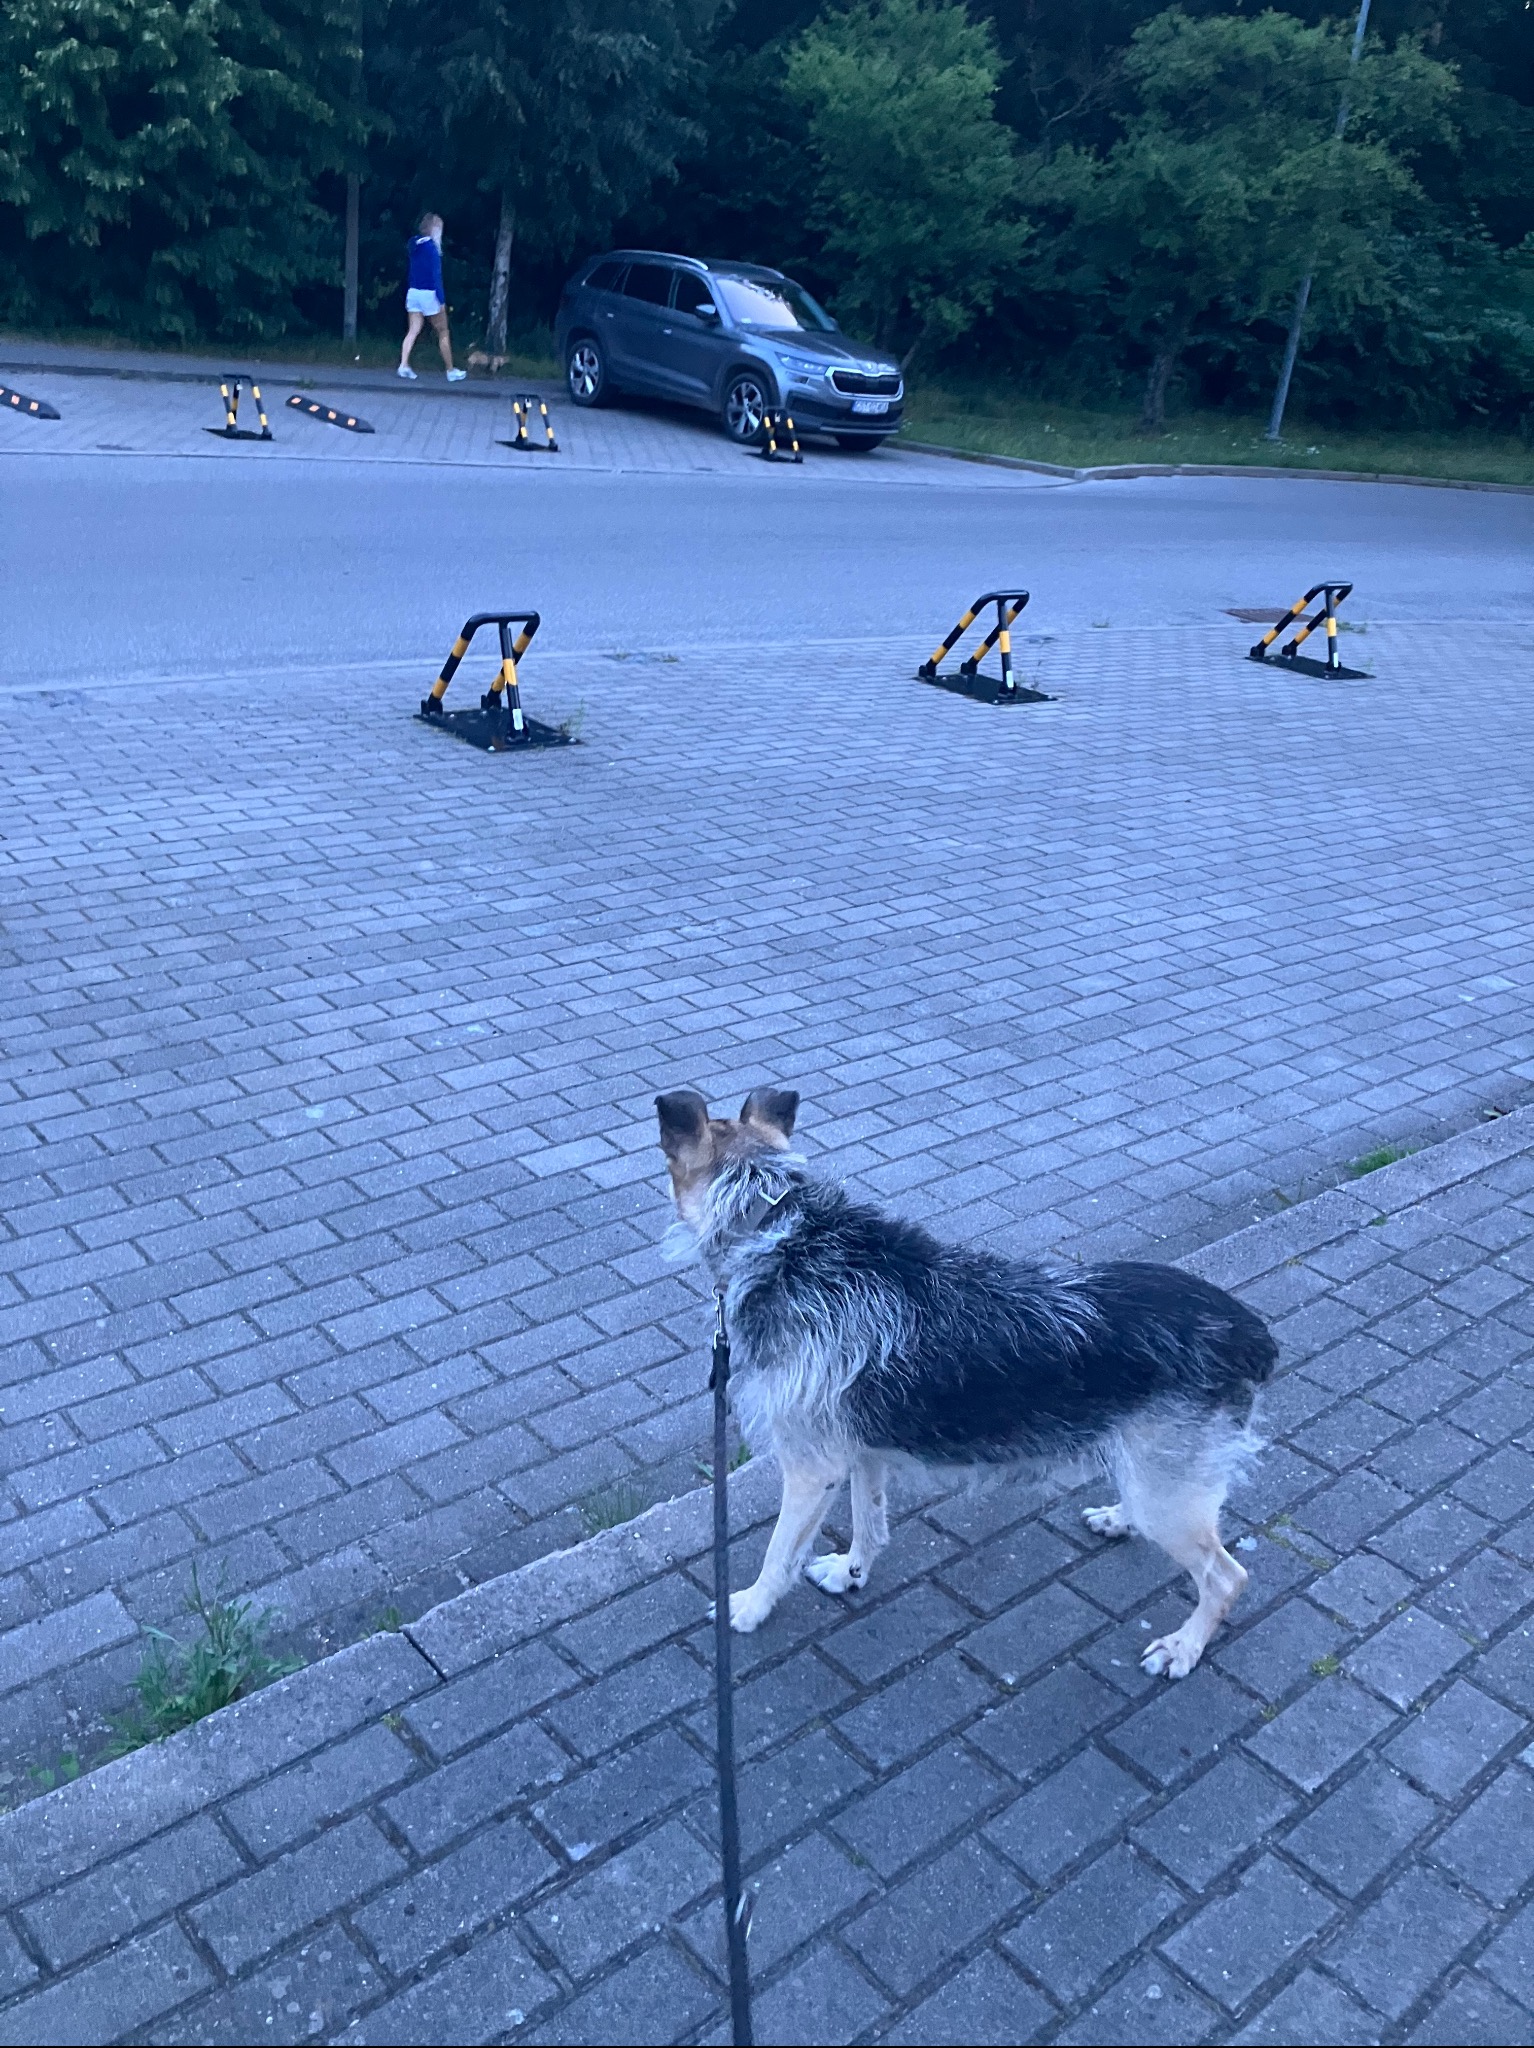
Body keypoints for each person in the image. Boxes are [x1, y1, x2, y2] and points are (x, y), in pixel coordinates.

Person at [398, 214, 467, 382]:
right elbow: (436, 277)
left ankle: (403, 365)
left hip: (413, 292)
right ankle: (450, 370)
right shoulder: (433, 250)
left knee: (413, 330)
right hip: (429, 294)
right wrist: (441, 301)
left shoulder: (413, 244)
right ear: (434, 229)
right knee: (443, 332)